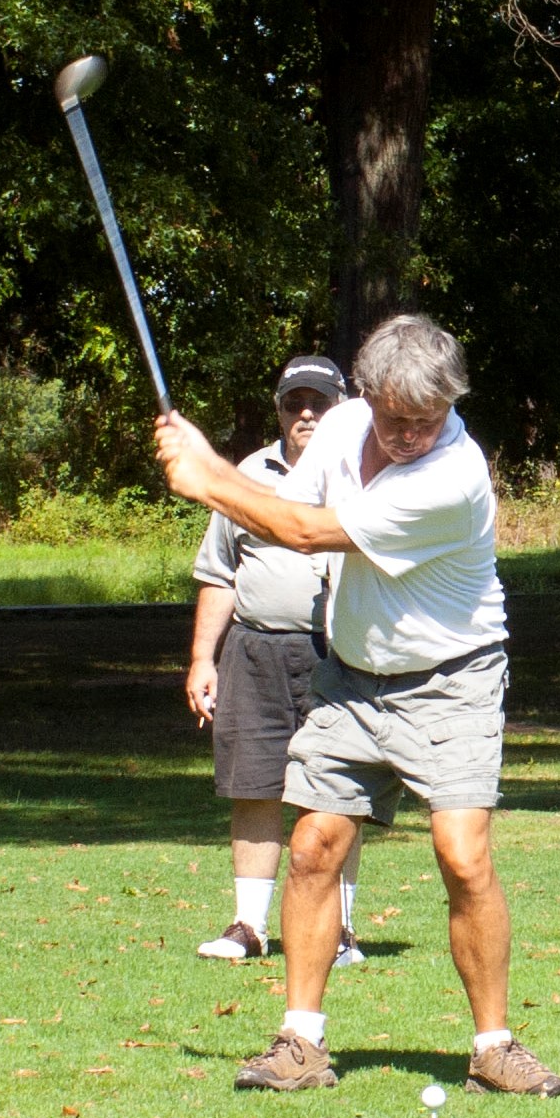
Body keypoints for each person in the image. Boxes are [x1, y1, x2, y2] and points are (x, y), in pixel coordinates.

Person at [152, 312, 560, 1096]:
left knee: (462, 854)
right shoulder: (343, 428)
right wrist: (212, 479)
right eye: (395, 418)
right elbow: (280, 511)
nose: (410, 434)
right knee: (312, 845)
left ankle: (494, 1046)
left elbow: (306, 532)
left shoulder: (454, 475)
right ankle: (299, 1044)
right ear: (366, 393)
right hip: (351, 675)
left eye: (427, 419)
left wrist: (206, 472)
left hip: (452, 679)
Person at [186, 354, 362, 965]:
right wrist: (201, 660)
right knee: (253, 784)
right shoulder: (248, 474)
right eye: (295, 403)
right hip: (254, 649)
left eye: (319, 401)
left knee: (337, 789)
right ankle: (249, 926)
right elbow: (219, 574)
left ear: (343, 406)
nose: (307, 413)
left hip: (338, 652)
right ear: (280, 410)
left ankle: (337, 931)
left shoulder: (363, 472)